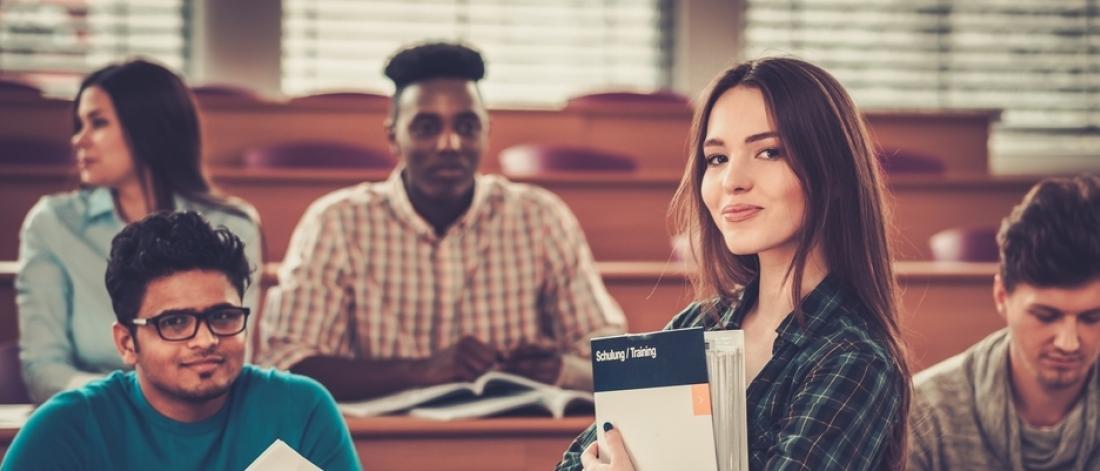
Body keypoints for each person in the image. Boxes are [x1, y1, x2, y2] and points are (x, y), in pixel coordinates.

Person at [556, 57, 911, 470]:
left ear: (831, 173)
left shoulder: (854, 359)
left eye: (769, 152)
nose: (732, 181)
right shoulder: (701, 322)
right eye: (717, 158)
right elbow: (576, 461)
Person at [258, 42, 625, 399]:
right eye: (426, 127)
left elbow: (609, 352)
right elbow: (287, 361)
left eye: (466, 126)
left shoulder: (541, 217)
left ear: (487, 131)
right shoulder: (336, 223)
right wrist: (421, 370)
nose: (449, 144)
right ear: (393, 137)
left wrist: (559, 368)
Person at [1, 212, 358, 470]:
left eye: (222, 316)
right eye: (174, 322)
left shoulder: (301, 409)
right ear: (127, 342)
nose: (206, 340)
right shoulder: (65, 429)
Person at [16, 59, 262, 403]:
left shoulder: (232, 225)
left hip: (202, 415)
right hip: (94, 418)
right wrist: (133, 405)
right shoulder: (53, 223)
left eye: (97, 123)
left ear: (148, 130)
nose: (78, 140)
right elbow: (44, 369)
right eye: (79, 125)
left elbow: (234, 356)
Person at [908, 175, 1100, 470]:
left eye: (1092, 318)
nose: (1068, 342)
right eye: (1046, 316)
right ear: (1001, 295)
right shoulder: (926, 414)